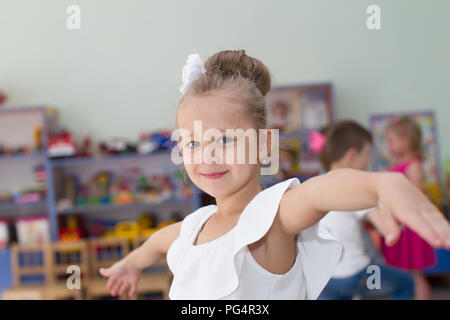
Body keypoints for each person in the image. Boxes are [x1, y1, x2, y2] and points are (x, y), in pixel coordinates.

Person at [99, 50, 450, 300]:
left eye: (224, 139)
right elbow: (159, 242)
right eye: (191, 142)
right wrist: (131, 264)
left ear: (264, 144)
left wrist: (380, 182)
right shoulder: (195, 226)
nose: (207, 155)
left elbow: (320, 191)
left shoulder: (271, 217)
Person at [312, 120, 414, 300]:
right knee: (406, 282)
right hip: (358, 274)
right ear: (352, 155)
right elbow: (386, 229)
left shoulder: (317, 183)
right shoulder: (356, 186)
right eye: (367, 154)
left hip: (325, 278)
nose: (369, 161)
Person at [381, 116, 437, 300]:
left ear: (406, 140)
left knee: (416, 273)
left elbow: (416, 196)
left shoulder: (413, 164)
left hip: (410, 227)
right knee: (400, 273)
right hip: (399, 224)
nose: (388, 146)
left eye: (391, 140)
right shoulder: (395, 165)